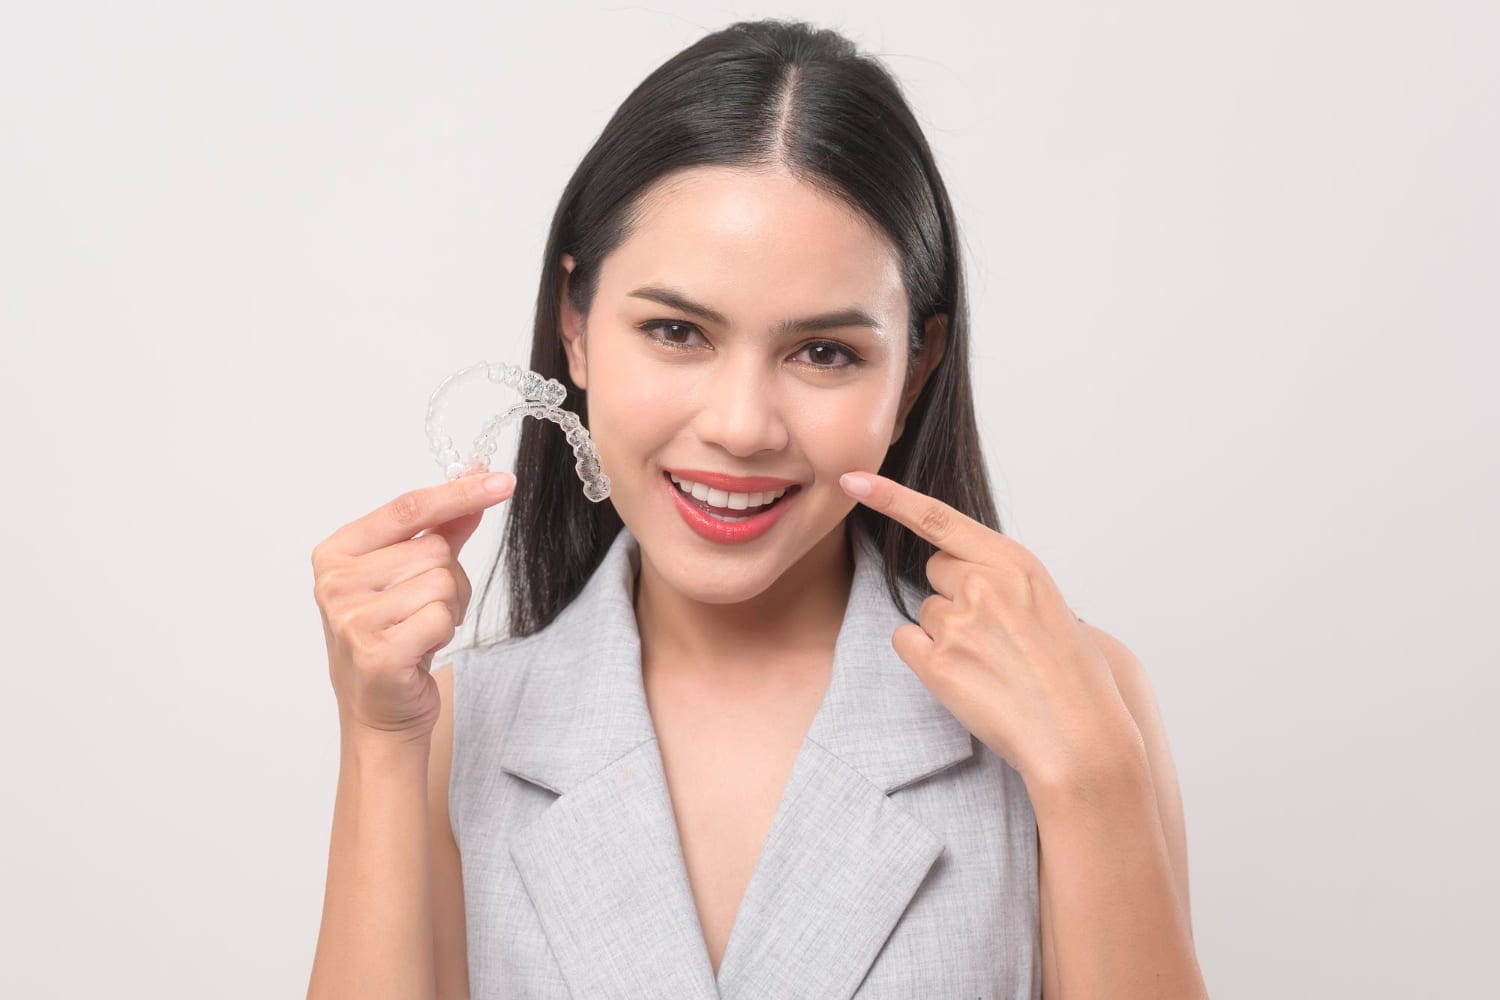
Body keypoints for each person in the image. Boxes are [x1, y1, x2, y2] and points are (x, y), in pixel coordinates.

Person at [307, 17, 1207, 1000]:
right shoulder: (449, 730)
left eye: (824, 352)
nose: (740, 427)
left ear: (916, 371)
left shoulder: (1077, 702)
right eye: (676, 331)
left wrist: (1093, 785)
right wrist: (378, 745)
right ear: (576, 327)